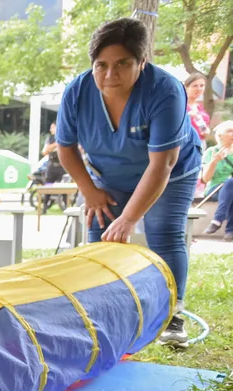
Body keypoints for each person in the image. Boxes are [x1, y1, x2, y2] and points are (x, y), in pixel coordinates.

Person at [56, 18, 202, 348]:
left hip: (170, 171)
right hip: (108, 174)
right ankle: (99, 313)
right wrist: (90, 192)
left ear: (142, 62)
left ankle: (172, 316)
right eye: (101, 65)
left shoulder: (164, 89)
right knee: (99, 233)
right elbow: (65, 149)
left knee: (163, 230)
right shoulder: (76, 92)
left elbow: (162, 163)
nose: (110, 75)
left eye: (123, 64)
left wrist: (130, 218)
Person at [201, 120, 233, 241]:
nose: (232, 134)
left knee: (231, 184)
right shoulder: (211, 152)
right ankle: (229, 229)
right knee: (230, 184)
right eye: (229, 131)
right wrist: (214, 162)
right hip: (215, 188)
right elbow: (205, 179)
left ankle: (218, 221)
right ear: (220, 136)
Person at [184, 73, 210, 142]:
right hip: (186, 145)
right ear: (186, 87)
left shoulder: (199, 107)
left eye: (202, 85)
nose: (199, 89)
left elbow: (202, 126)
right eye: (195, 86)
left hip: (200, 143)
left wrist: (206, 130)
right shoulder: (181, 105)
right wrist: (188, 115)